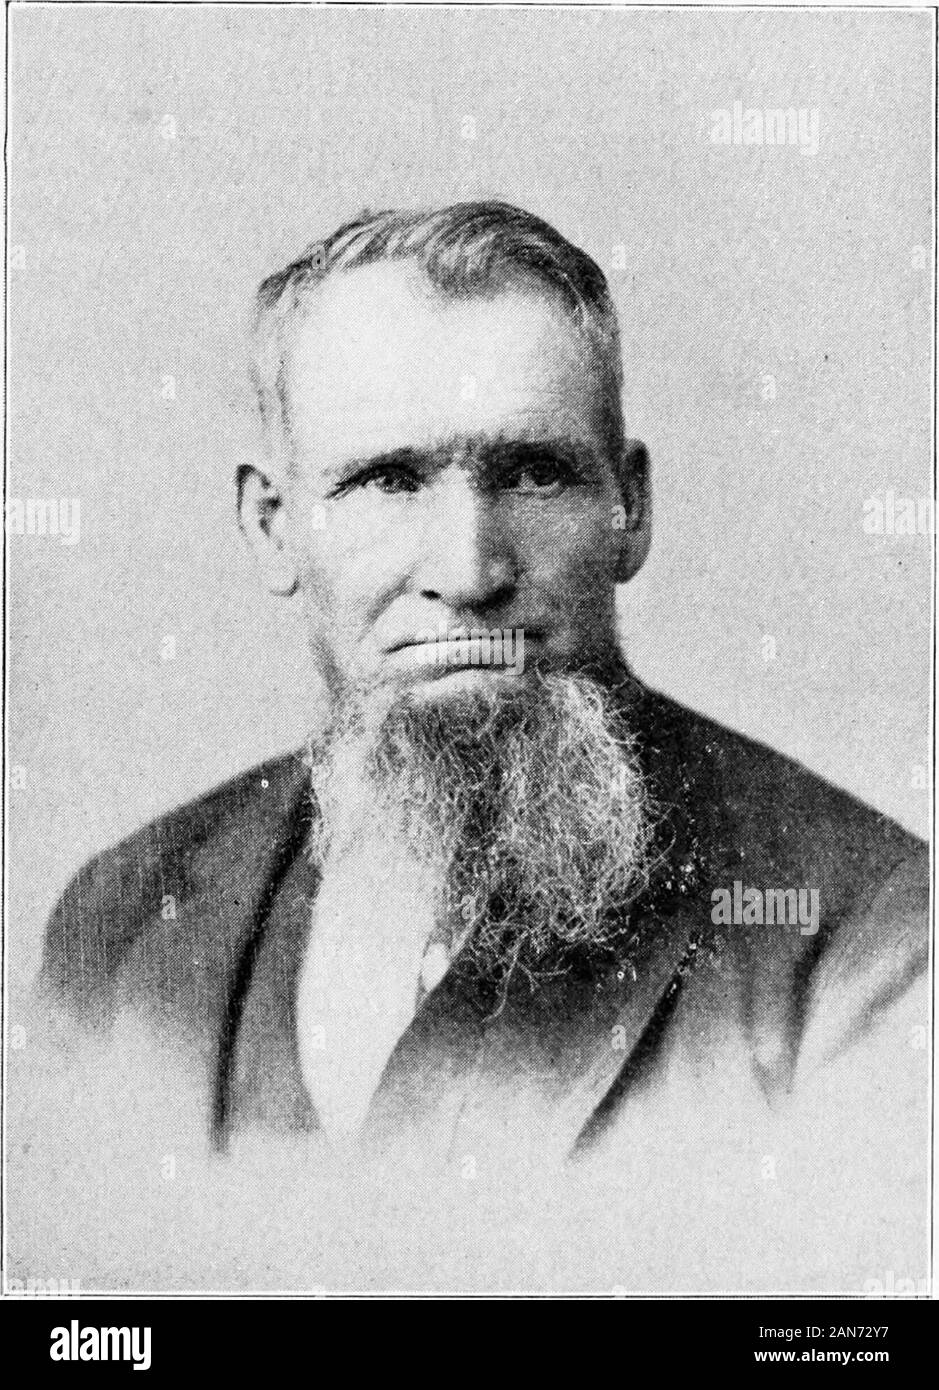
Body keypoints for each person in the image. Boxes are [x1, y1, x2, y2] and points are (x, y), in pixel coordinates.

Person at [39, 201, 928, 1191]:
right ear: (272, 526)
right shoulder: (121, 927)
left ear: (630, 509)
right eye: (386, 481)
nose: (467, 572)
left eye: (535, 475)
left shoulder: (867, 936)